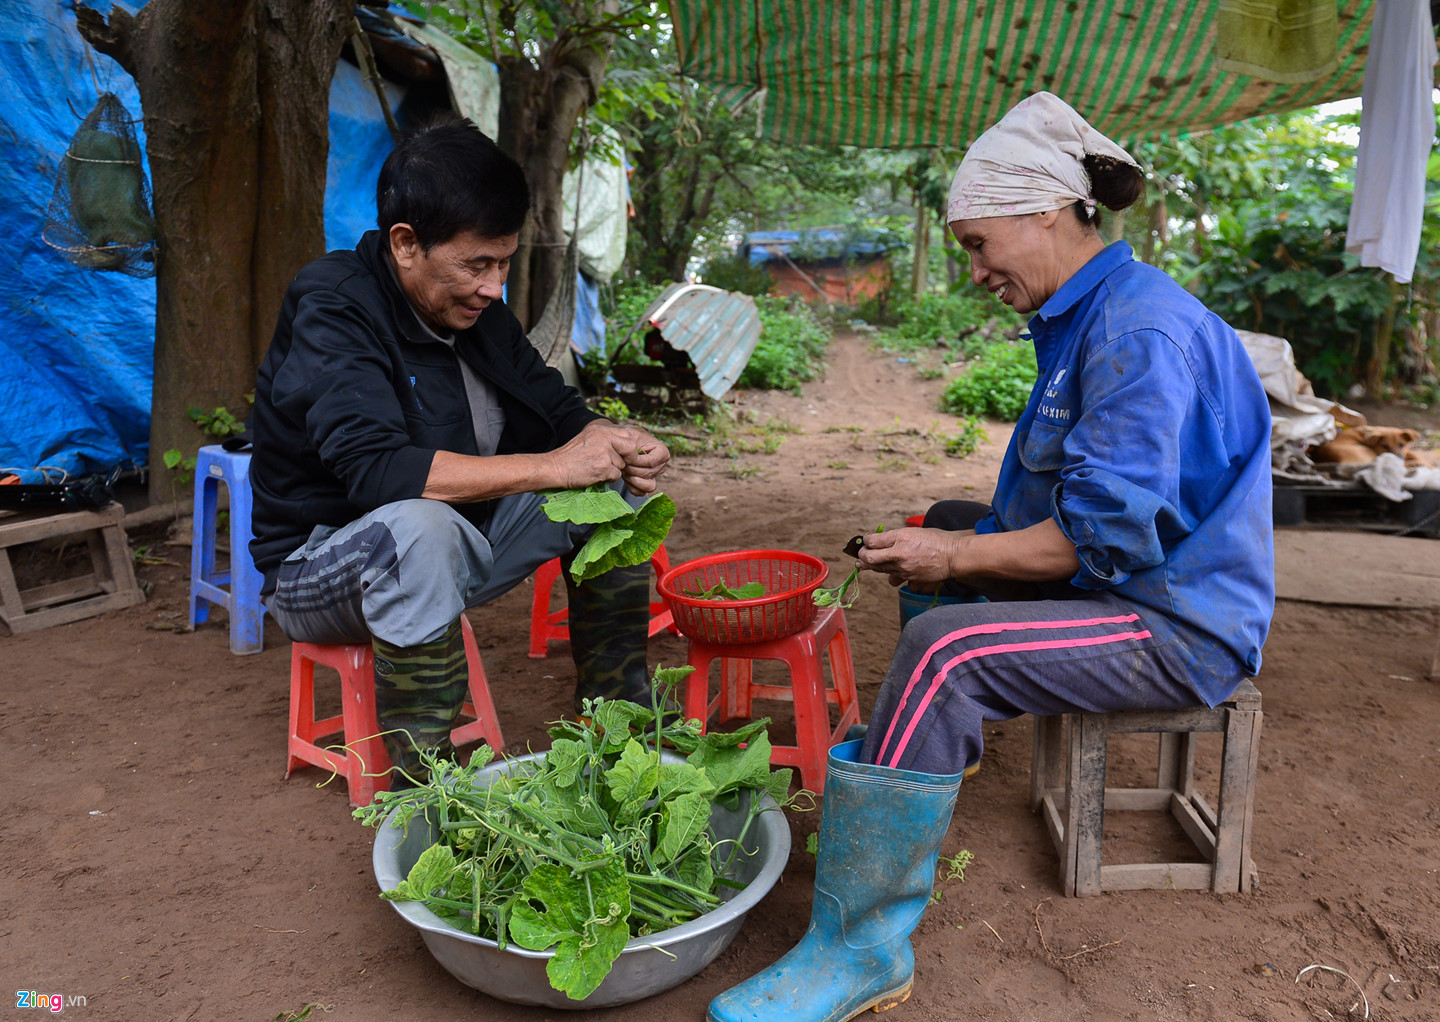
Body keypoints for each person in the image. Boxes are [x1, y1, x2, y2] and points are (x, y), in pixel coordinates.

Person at [707, 92, 1274, 1022]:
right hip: (1140, 576)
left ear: (1048, 211)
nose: (975, 268)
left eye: (978, 244)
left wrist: (954, 556)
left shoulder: (1136, 333)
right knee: (943, 517)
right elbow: (1075, 506)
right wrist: (947, 537)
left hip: (1180, 623)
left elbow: (1092, 537)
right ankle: (923, 759)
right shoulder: (1098, 308)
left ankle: (861, 949)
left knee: (947, 654)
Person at [248, 117, 669, 785]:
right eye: (478, 264)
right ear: (407, 243)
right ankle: (435, 797)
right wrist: (557, 464)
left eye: (504, 263)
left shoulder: (476, 314)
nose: (494, 286)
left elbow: (553, 410)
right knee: (420, 527)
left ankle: (624, 732)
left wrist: (609, 440)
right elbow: (378, 471)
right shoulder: (332, 306)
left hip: (452, 546)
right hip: (319, 569)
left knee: (608, 494)